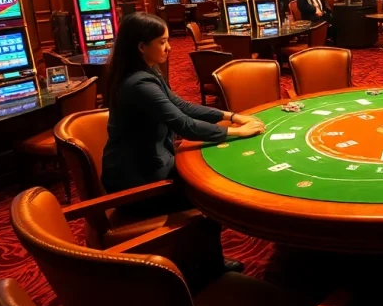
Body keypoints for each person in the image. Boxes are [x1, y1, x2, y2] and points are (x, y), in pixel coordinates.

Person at [102, 13, 265, 198]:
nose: (169, 48)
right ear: (141, 47)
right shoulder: (139, 85)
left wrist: (233, 117)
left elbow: (182, 106)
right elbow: (184, 124)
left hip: (151, 164)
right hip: (138, 184)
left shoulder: (147, 71)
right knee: (218, 190)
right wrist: (238, 132)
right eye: (162, 42)